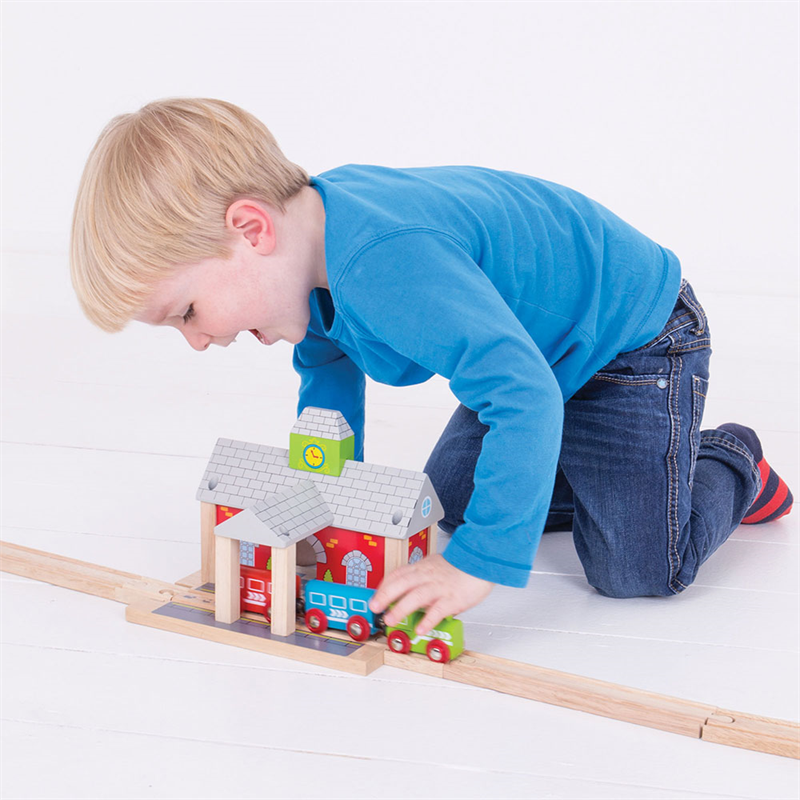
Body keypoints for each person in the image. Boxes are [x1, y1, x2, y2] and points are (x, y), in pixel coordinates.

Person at [70, 98, 793, 637]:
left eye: (187, 312)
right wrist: (321, 505)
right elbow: (327, 381)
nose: (198, 341)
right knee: (446, 502)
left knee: (633, 569)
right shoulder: (305, 254)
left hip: (632, 341)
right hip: (532, 356)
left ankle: (727, 460)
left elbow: (522, 395)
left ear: (250, 229)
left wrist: (477, 563)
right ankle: (616, 466)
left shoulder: (384, 263)